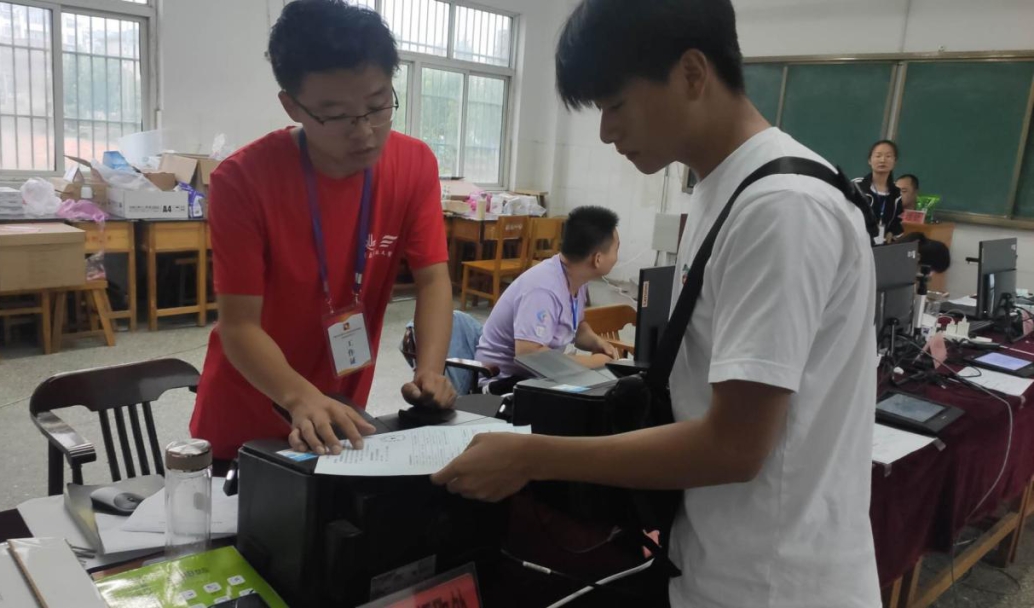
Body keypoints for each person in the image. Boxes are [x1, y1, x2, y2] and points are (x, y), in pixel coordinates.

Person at [431, 1, 881, 606]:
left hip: (774, 584)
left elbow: (735, 446)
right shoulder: (725, 188)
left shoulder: (781, 209)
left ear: (692, 73)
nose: (605, 131)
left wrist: (533, 456)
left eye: (616, 105)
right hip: (718, 560)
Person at [190, 0, 456, 462]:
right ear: (292, 105)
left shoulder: (414, 165)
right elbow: (239, 325)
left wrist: (430, 370)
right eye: (336, 115)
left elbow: (433, 278)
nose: (365, 132)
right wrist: (298, 397)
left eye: (377, 106)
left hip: (341, 420)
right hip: (247, 420)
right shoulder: (242, 181)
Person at [473, 206, 622, 394]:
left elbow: (575, 325)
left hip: (539, 377)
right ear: (597, 259)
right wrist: (593, 362)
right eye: (616, 249)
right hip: (503, 384)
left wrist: (597, 342)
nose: (617, 257)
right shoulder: (542, 289)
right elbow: (529, 354)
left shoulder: (576, 278)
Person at [852, 140, 904, 243]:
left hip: (881, 246)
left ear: (895, 161)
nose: (883, 160)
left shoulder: (896, 193)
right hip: (856, 243)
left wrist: (891, 232)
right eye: (878, 156)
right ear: (870, 160)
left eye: (888, 156)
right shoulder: (857, 186)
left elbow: (897, 221)